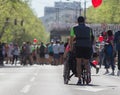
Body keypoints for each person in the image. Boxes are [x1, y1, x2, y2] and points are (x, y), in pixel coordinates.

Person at [69, 16, 94, 85]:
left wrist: (71, 47)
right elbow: (92, 38)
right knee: (86, 62)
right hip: (87, 46)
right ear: (84, 21)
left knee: (78, 63)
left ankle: (79, 79)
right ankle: (88, 75)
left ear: (77, 21)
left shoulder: (74, 28)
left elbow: (71, 39)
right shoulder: (89, 28)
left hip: (79, 46)